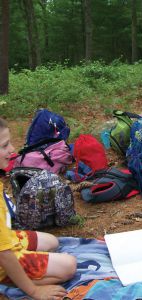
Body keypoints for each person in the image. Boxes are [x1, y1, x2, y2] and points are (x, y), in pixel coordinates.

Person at [0, 117, 76, 300]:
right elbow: (3, 253)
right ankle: (11, 279)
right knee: (69, 266)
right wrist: (34, 291)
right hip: (3, 254)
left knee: (52, 241)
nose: (12, 150)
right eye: (4, 145)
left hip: (7, 239)